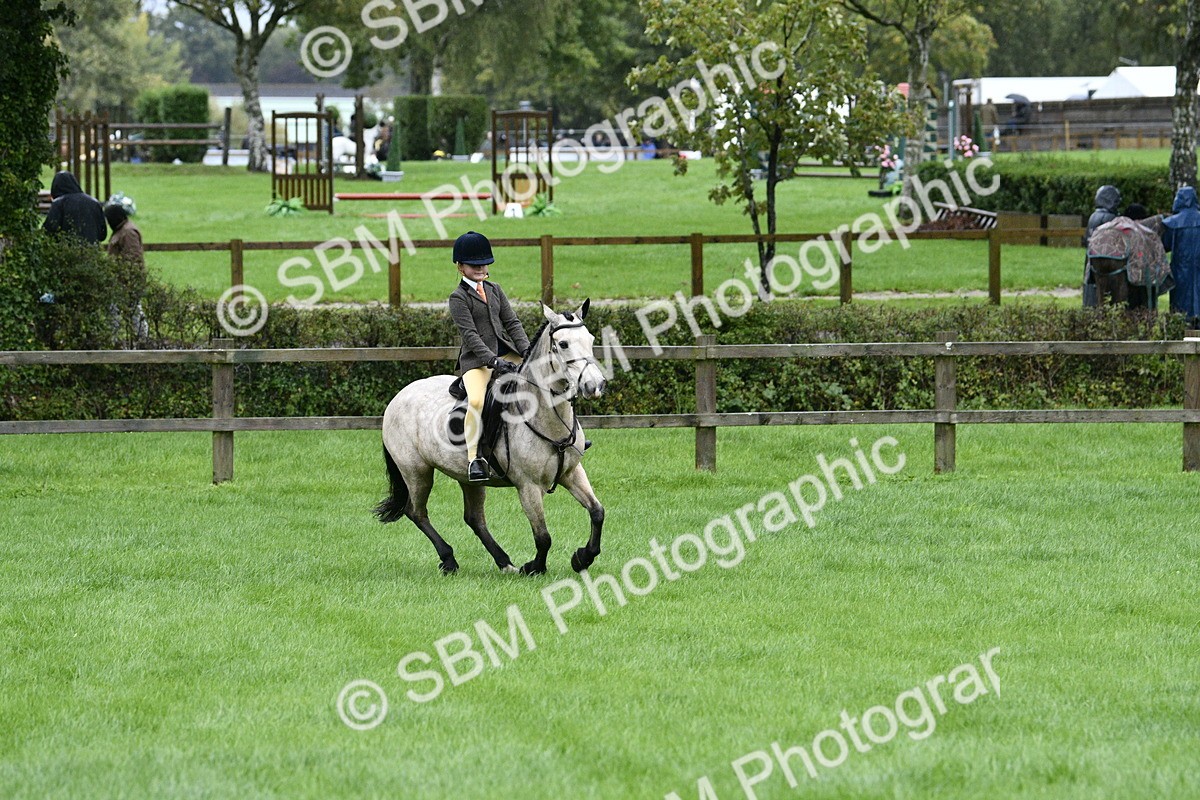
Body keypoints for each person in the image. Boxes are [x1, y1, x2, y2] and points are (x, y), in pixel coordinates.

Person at [448, 231, 531, 482]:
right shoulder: (458, 298)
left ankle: (565, 436)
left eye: (484, 264)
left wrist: (527, 351)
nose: (480, 268)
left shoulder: (495, 289)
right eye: (474, 265)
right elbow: (470, 336)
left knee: (544, 375)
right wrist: (493, 361)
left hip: (505, 353)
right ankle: (474, 458)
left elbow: (512, 322)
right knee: (476, 401)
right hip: (477, 361)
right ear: (460, 267)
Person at [1160, 186, 1200, 327]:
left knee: (1180, 306)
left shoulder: (1172, 223)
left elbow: (1164, 245)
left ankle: (1183, 328)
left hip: (1180, 270)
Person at [1083, 185, 1121, 308]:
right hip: (1105, 264)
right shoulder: (1110, 218)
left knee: (1091, 291)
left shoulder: (1093, 216)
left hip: (1092, 258)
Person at [43, 171, 106, 244]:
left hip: (66, 248)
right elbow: (102, 233)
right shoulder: (94, 203)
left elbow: (48, 230)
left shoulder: (59, 204)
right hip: (91, 248)